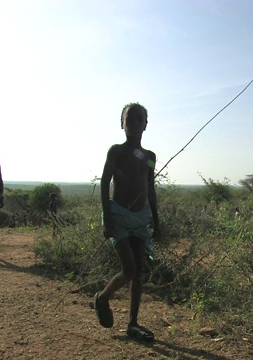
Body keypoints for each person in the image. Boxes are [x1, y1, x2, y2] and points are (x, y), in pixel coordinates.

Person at [93, 102, 159, 342]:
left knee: (138, 272)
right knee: (128, 269)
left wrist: (157, 221)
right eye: (129, 119)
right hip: (118, 216)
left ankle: (132, 323)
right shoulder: (116, 151)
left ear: (146, 125)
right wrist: (107, 218)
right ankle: (102, 298)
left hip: (141, 219)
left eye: (139, 119)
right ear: (121, 123)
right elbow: (104, 183)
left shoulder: (150, 157)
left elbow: (150, 189)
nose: (134, 123)